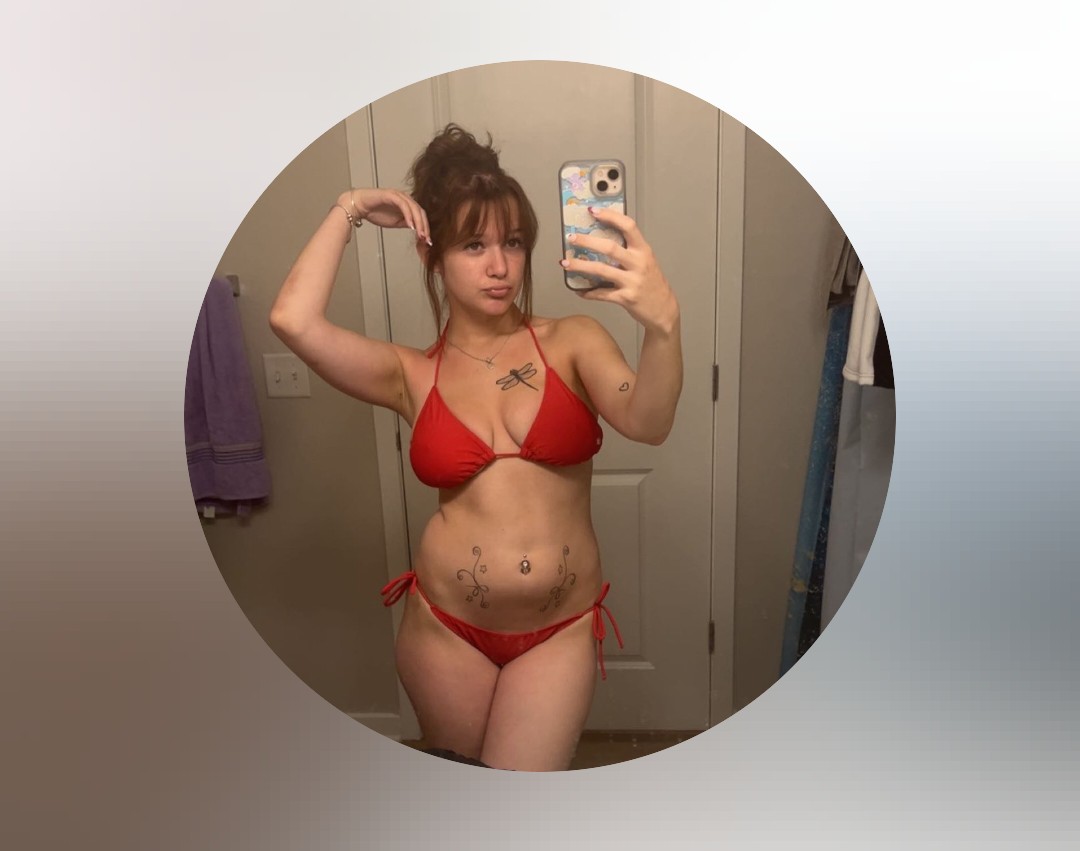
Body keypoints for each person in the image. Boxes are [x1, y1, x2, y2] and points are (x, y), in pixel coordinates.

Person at [270, 124, 682, 771]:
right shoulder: (410, 374)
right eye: (473, 244)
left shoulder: (574, 340)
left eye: (513, 242)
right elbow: (292, 320)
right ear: (432, 255)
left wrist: (663, 326)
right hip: (445, 632)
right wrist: (350, 207)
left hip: (558, 631)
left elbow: (649, 421)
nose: (500, 266)